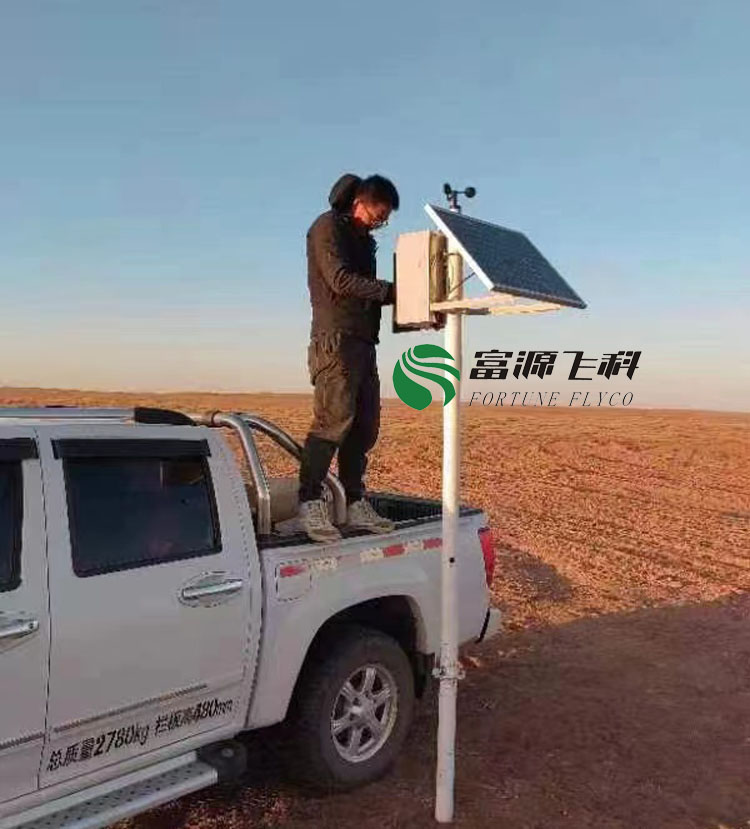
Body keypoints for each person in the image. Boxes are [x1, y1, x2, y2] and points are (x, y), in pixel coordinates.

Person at [297, 173, 399, 543]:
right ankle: (310, 501)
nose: (378, 223)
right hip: (335, 341)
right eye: (377, 215)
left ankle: (354, 501)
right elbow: (340, 280)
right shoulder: (326, 228)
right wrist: (394, 292)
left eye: (383, 220)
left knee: (364, 427)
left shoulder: (364, 243)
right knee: (333, 421)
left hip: (363, 343)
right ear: (359, 201)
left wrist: (410, 306)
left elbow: (369, 292)